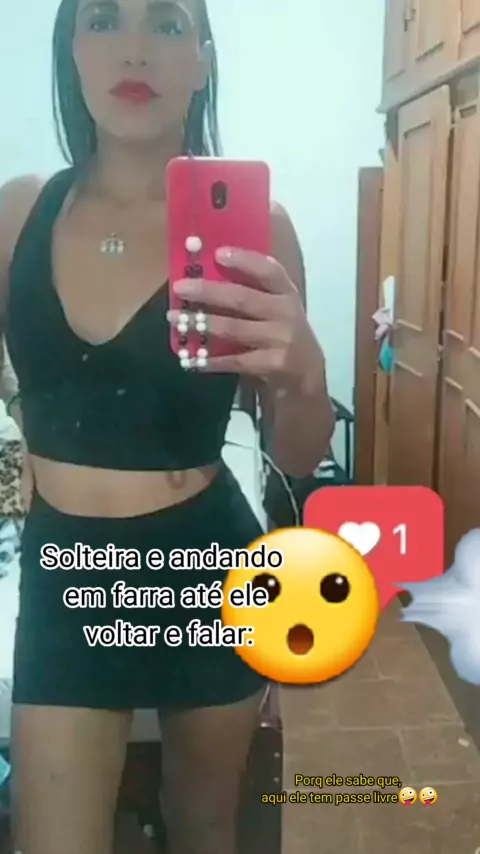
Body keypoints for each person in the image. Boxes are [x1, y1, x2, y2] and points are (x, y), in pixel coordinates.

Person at [0, 1, 334, 852]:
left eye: (169, 24)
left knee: (203, 827)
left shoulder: (258, 230)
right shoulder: (18, 212)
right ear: (71, 50)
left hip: (206, 566)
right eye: (103, 20)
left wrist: (306, 376)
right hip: (67, 574)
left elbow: (295, 456)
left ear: (202, 59)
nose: (136, 47)